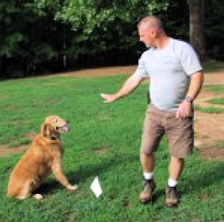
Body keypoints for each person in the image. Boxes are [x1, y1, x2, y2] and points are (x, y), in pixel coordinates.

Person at [100, 15, 203, 207]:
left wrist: (188, 100)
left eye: (142, 35)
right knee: (145, 150)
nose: (140, 39)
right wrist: (116, 95)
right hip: (154, 112)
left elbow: (197, 75)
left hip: (179, 114)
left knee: (177, 153)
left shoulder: (181, 49)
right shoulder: (147, 56)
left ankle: (172, 187)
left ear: (153, 32)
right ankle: (149, 182)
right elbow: (134, 79)